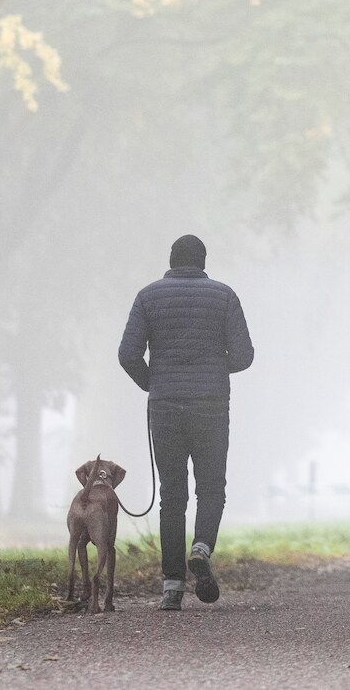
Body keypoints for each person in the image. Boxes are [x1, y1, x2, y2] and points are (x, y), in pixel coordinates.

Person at [118, 233, 254, 612]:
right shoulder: (224, 296)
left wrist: (154, 382)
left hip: (165, 408)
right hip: (211, 405)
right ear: (203, 262)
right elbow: (244, 355)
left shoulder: (147, 297)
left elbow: (128, 354)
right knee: (210, 488)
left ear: (171, 260)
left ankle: (172, 588)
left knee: (172, 496)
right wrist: (214, 369)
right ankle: (202, 547)